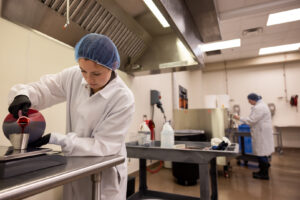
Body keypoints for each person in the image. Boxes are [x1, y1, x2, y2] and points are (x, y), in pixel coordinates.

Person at [7, 33, 135, 199]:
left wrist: (57, 139)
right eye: (84, 71)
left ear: (113, 66)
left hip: (105, 174)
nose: (89, 79)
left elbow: (104, 145)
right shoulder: (74, 76)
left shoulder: (123, 98)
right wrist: (24, 95)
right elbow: (45, 89)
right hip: (75, 166)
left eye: (96, 74)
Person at [233, 93, 274, 180]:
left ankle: (264, 174)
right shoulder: (261, 105)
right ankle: (262, 171)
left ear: (252, 99)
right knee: (263, 153)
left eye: (249, 100)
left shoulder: (259, 107)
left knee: (261, 153)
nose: (249, 102)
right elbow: (253, 119)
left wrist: (238, 118)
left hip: (261, 133)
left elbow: (251, 120)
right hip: (262, 132)